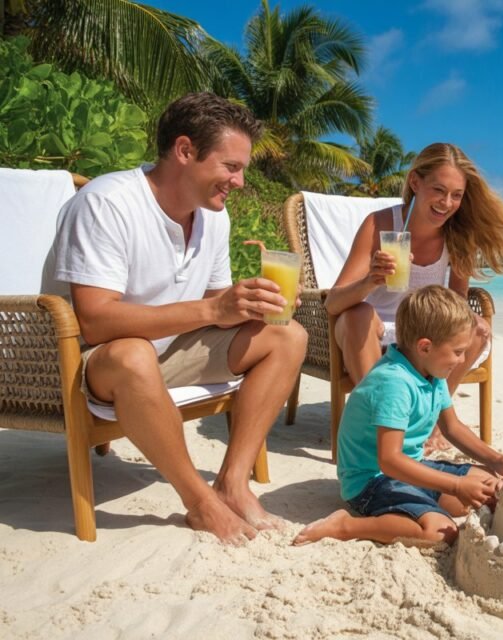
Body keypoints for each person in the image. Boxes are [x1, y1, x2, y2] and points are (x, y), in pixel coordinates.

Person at [47, 92, 308, 545]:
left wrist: (248, 303)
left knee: (287, 336)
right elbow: (94, 322)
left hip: (168, 352)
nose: (241, 181)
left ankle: (232, 483)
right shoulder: (106, 203)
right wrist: (213, 309)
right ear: (185, 151)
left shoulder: (213, 217)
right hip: (92, 362)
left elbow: (213, 308)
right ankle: (201, 503)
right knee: (132, 355)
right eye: (231, 166)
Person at [324, 142, 503, 451]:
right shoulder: (381, 224)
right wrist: (371, 281)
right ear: (415, 182)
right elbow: (333, 303)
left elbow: (456, 301)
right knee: (357, 314)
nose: (447, 203)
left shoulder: (459, 235)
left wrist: (471, 316)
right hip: (371, 331)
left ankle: (433, 419)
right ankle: (379, 417)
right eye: (439, 190)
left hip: (421, 334)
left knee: (476, 332)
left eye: (457, 195)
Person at [293, 285, 503, 546]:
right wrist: (456, 486)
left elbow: (452, 427)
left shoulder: (431, 372)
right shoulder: (394, 383)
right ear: (425, 347)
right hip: (371, 481)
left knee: (490, 487)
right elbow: (389, 461)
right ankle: (347, 525)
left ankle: (425, 503)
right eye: (458, 352)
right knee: (442, 532)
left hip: (411, 469)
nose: (461, 361)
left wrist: (498, 460)